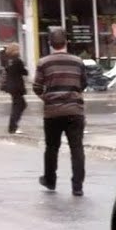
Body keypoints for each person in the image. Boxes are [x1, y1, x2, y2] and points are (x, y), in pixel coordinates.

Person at [32, 28, 87, 196]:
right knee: (76, 148)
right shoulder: (78, 61)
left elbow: (36, 86)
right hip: (75, 111)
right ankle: (77, 186)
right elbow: (83, 83)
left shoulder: (43, 62)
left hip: (52, 112)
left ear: (50, 44)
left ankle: (50, 180)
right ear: (66, 43)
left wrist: (47, 99)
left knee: (52, 147)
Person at [1, 42, 29, 134]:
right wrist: (25, 69)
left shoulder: (7, 60)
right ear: (15, 50)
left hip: (10, 86)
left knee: (18, 105)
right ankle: (13, 127)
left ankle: (13, 126)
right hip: (17, 86)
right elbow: (24, 72)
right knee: (19, 106)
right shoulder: (17, 60)